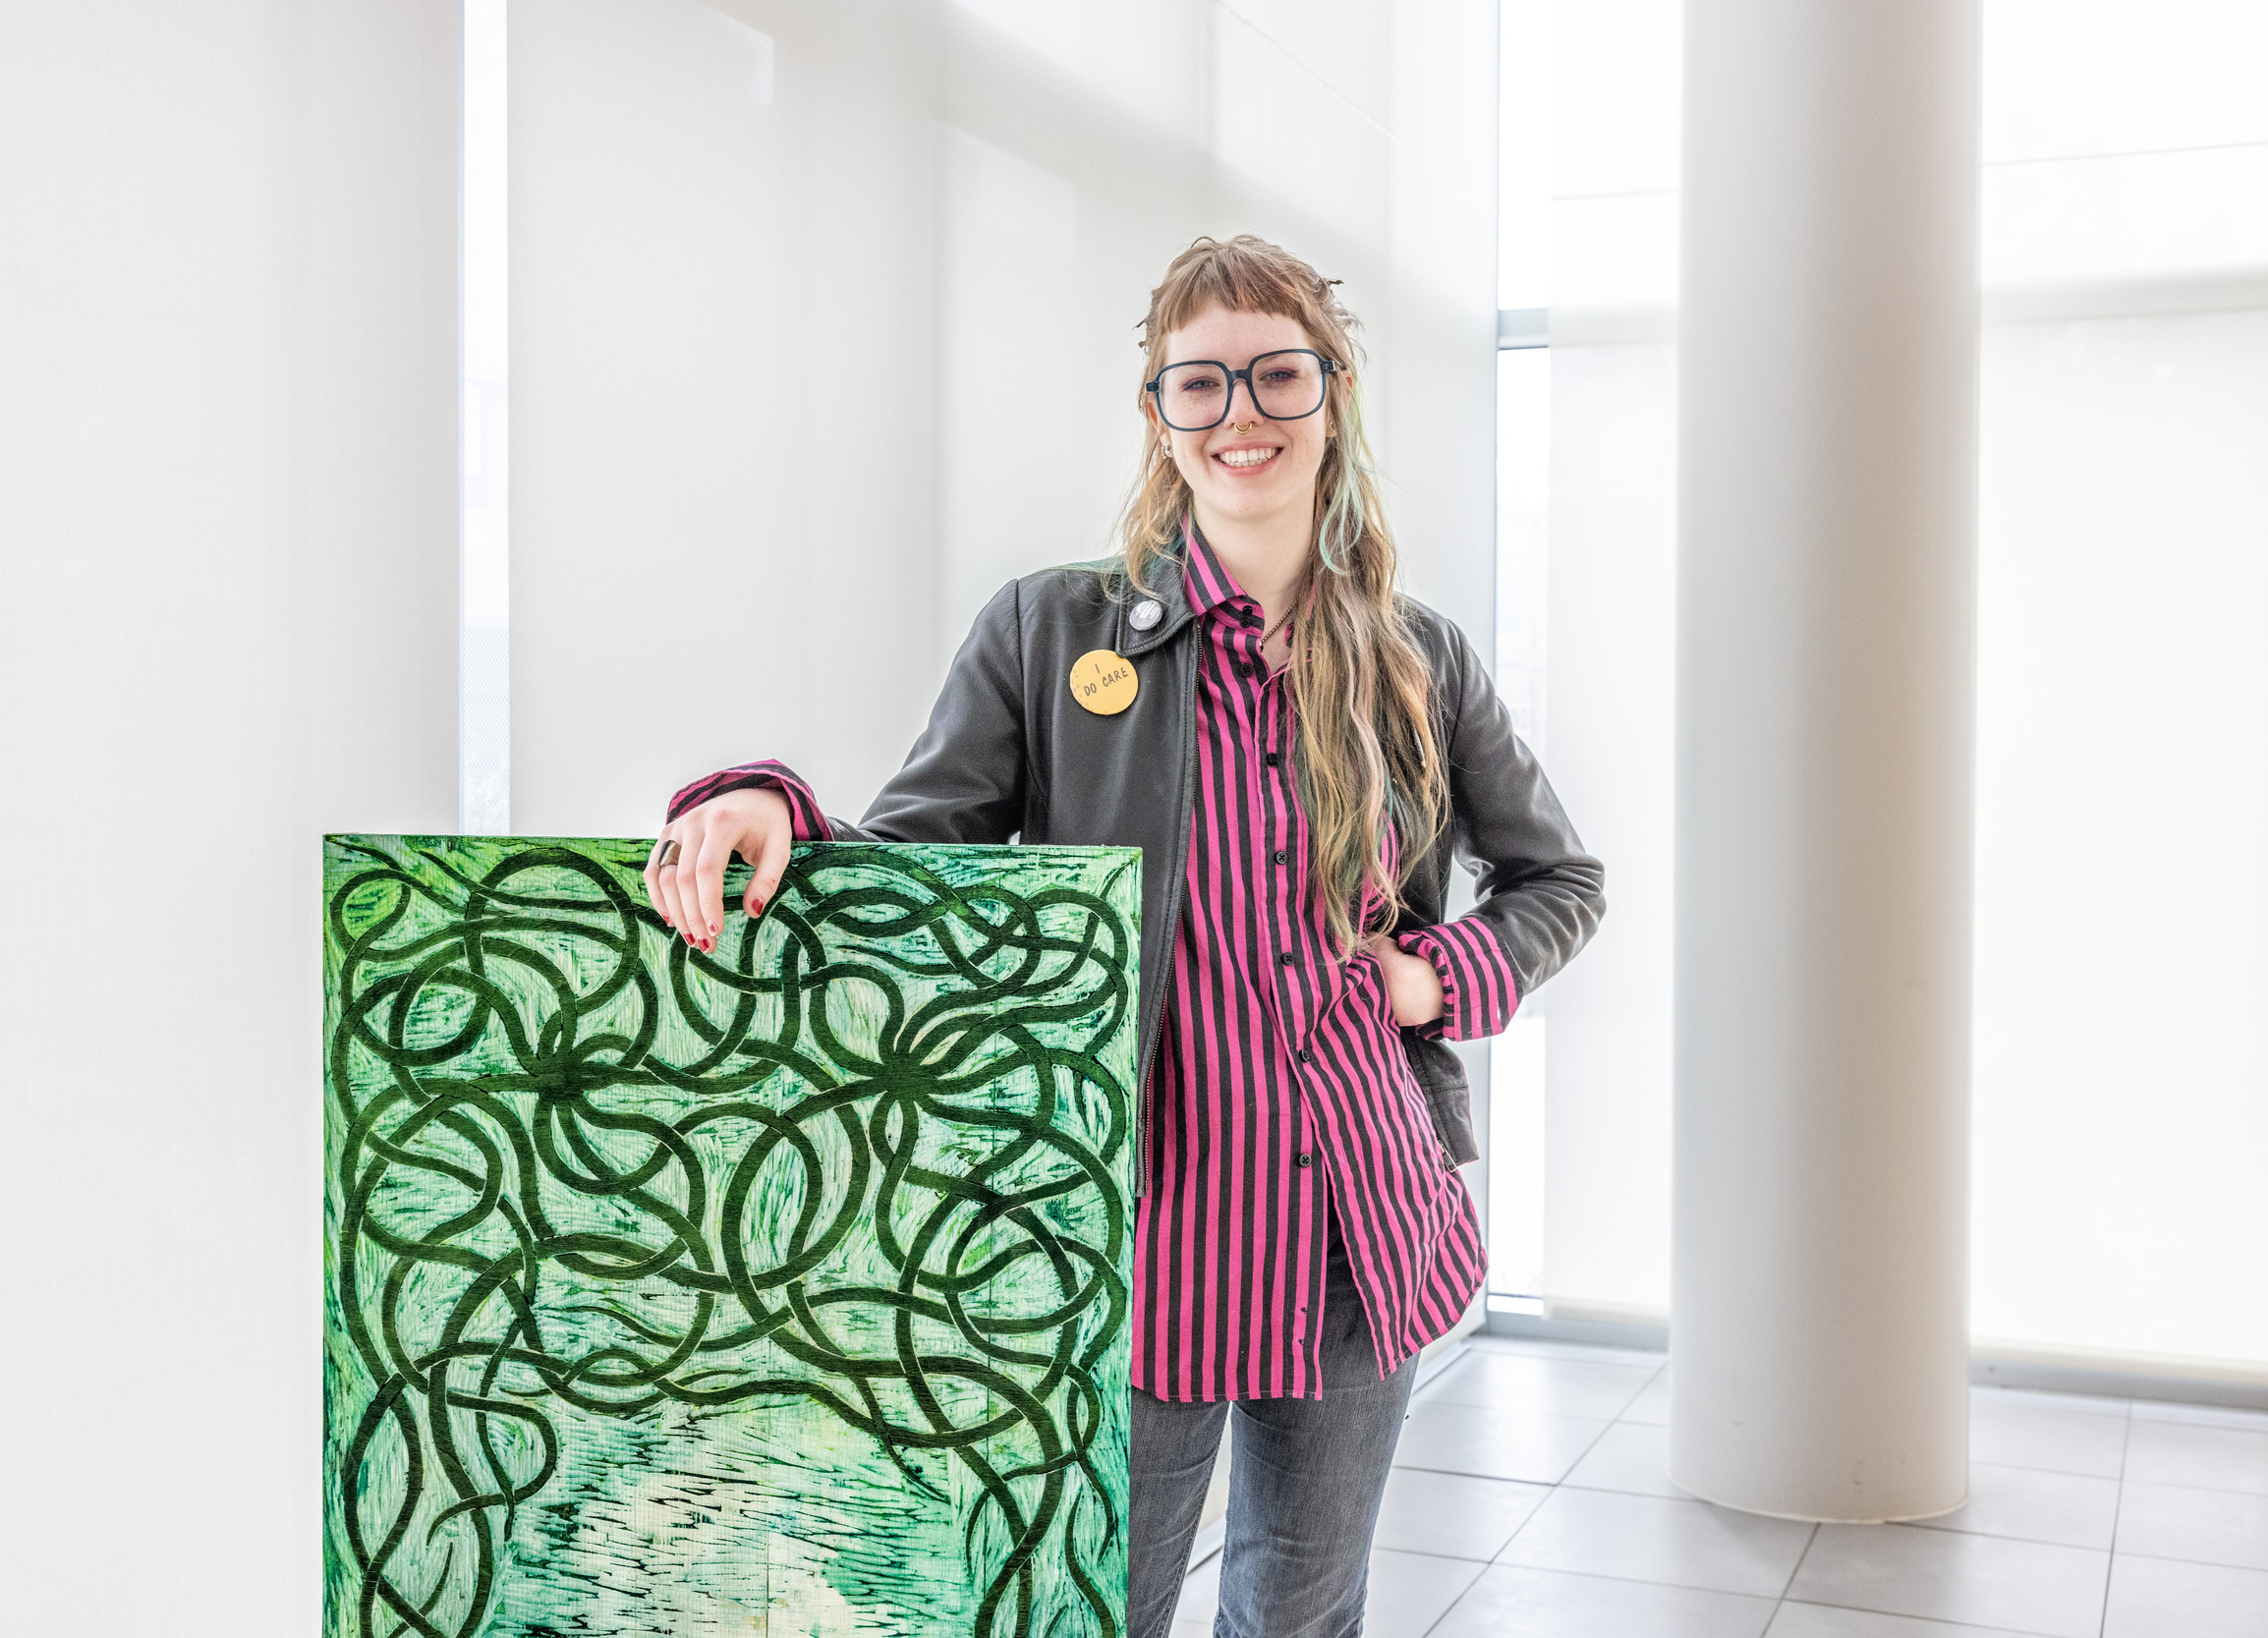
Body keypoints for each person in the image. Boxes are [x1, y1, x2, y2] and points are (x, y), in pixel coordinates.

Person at [641, 234, 1604, 1638]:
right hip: (1138, 1237)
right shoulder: (1049, 634)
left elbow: (1558, 879)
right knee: (1097, 1608)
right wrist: (764, 801)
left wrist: (1433, 975)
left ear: (1332, 396)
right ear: (1158, 413)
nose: (1240, 414)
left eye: (1277, 375)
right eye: (1199, 383)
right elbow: (912, 867)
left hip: (1360, 1224)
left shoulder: (1420, 658)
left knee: (1301, 1615)